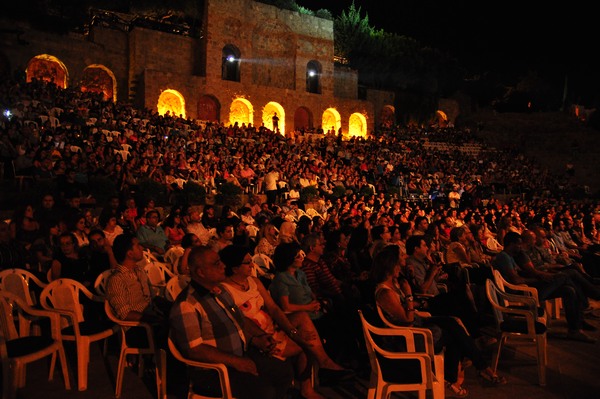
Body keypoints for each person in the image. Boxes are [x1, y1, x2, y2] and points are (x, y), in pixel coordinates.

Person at [372, 244, 506, 398]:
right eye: (398, 262)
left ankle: (468, 372)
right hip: (406, 338)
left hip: (416, 324)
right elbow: (407, 320)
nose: (401, 265)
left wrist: (413, 298)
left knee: (454, 322)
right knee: (454, 334)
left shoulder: (394, 285)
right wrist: (408, 295)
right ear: (390, 266)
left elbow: (407, 309)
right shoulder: (384, 292)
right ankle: (472, 371)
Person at [219, 245, 351, 397]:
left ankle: (324, 363)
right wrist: (294, 337)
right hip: (259, 335)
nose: (252, 265)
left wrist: (292, 332)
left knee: (302, 317)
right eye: (247, 263)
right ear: (235, 268)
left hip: (272, 325)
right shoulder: (225, 290)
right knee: (306, 344)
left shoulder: (254, 281)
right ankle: (309, 387)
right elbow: (240, 322)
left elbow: (274, 308)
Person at [169, 246, 294, 399]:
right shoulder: (187, 305)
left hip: (240, 354)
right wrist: (237, 362)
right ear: (201, 272)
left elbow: (240, 320)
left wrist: (258, 338)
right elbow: (194, 350)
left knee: (284, 372)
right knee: (265, 391)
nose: (223, 266)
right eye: (216, 264)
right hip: (214, 370)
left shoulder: (220, 291)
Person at [492, 231, 596, 343]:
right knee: (568, 274)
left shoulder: (510, 257)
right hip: (524, 292)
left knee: (569, 290)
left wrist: (542, 276)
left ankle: (575, 330)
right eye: (518, 244)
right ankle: (594, 293)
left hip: (529, 287)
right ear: (511, 244)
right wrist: (538, 279)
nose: (521, 247)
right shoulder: (504, 257)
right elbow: (516, 280)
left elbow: (522, 274)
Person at [106, 233, 170, 346]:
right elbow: (125, 314)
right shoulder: (117, 279)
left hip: (150, 318)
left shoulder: (139, 271)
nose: (142, 248)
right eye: (138, 245)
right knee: (174, 335)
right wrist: (154, 319)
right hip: (136, 328)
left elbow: (152, 298)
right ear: (130, 253)